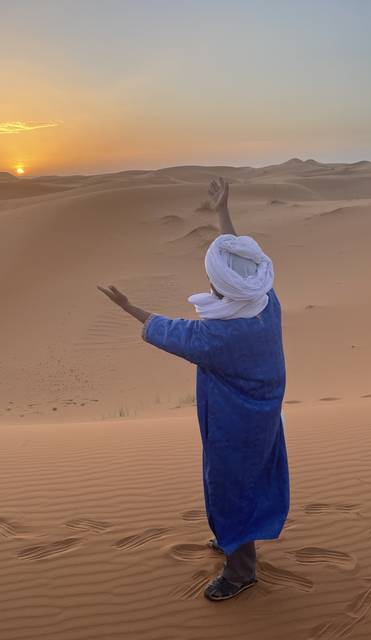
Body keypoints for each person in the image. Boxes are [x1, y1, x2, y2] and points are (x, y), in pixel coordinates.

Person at [98, 178, 289, 601]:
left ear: (224, 287)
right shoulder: (264, 301)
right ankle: (233, 538)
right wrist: (223, 211)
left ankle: (241, 572)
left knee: (231, 487)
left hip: (234, 422)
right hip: (262, 412)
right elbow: (240, 260)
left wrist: (128, 307)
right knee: (247, 480)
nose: (210, 280)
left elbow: (171, 331)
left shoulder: (219, 337)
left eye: (212, 277)